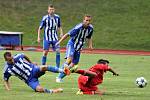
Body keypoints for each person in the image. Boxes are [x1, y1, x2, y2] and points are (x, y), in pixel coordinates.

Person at [3, 52, 70, 93]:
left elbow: (23, 55)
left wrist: (31, 62)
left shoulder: (17, 57)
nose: (12, 60)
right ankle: (54, 91)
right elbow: (5, 80)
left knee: (44, 67)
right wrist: (8, 89)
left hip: (33, 69)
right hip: (30, 80)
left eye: (12, 58)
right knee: (39, 89)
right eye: (10, 60)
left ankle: (63, 71)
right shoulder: (7, 69)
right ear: (6, 60)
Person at [55, 14, 93, 82]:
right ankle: (63, 69)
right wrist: (59, 41)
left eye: (89, 20)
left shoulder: (91, 28)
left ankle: (59, 77)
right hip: (72, 44)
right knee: (70, 59)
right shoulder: (78, 27)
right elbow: (68, 34)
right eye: (86, 20)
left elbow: (89, 37)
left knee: (73, 65)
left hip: (79, 47)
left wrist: (90, 45)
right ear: (83, 20)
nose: (88, 22)